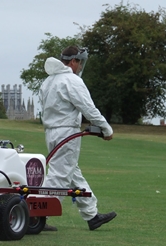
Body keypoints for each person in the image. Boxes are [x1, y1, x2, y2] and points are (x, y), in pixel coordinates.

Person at [39, 46, 116, 231]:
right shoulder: (71, 80)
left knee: (71, 171)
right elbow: (88, 108)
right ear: (73, 61)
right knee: (60, 176)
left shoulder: (48, 81)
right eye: (79, 62)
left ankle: (91, 215)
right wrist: (106, 128)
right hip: (67, 132)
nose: (80, 66)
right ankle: (37, 216)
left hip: (51, 132)